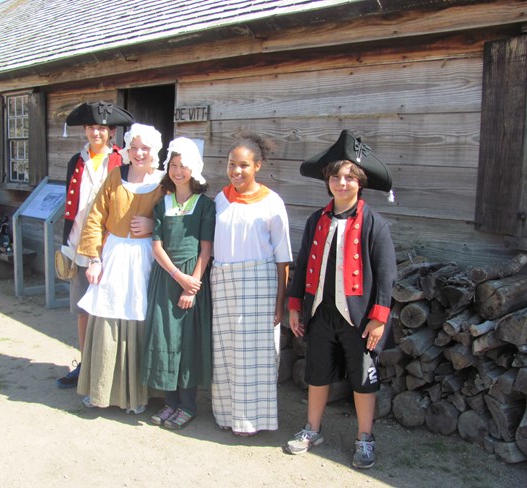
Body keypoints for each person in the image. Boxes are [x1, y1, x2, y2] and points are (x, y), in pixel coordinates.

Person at [284, 129, 397, 469]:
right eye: (336, 176)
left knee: (363, 379)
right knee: (316, 374)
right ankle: (312, 429)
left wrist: (378, 318)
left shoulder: (375, 224)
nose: (342, 182)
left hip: (360, 319)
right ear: (328, 180)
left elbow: (386, 272)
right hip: (321, 313)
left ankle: (365, 438)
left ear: (360, 182)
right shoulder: (317, 219)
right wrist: (294, 306)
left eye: (349, 177)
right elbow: (302, 265)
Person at [76, 123, 165, 415]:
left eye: (145, 148)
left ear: (155, 151)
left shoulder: (165, 182)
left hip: (146, 260)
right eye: (134, 147)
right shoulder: (116, 176)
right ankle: (103, 389)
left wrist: (154, 226)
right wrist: (94, 257)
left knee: (140, 316)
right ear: (127, 149)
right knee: (108, 315)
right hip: (113, 255)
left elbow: (176, 221)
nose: (139, 153)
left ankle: (138, 393)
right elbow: (95, 216)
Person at [211, 131, 292, 436]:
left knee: (254, 355)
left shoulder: (272, 203)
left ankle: (252, 421)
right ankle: (226, 414)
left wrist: (280, 301)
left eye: (244, 165)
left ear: (257, 166)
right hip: (223, 282)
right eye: (232, 164)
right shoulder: (220, 199)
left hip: (259, 285)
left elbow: (283, 257)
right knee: (227, 351)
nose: (236, 171)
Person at [56, 101, 134, 389]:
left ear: (111, 131)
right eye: (91, 128)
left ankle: (111, 368)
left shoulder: (123, 162)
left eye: (101, 128)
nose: (95, 133)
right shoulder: (76, 161)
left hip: (112, 246)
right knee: (82, 307)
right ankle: (86, 363)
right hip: (80, 245)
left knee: (110, 307)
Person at [141, 137, 215, 429]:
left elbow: (206, 250)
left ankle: (187, 405)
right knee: (165, 337)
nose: (178, 171)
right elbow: (156, 247)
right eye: (173, 165)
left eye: (183, 166)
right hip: (167, 276)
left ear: (193, 169)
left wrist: (191, 285)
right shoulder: (162, 204)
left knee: (187, 341)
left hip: (192, 279)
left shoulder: (205, 206)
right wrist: (177, 276)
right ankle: (169, 402)